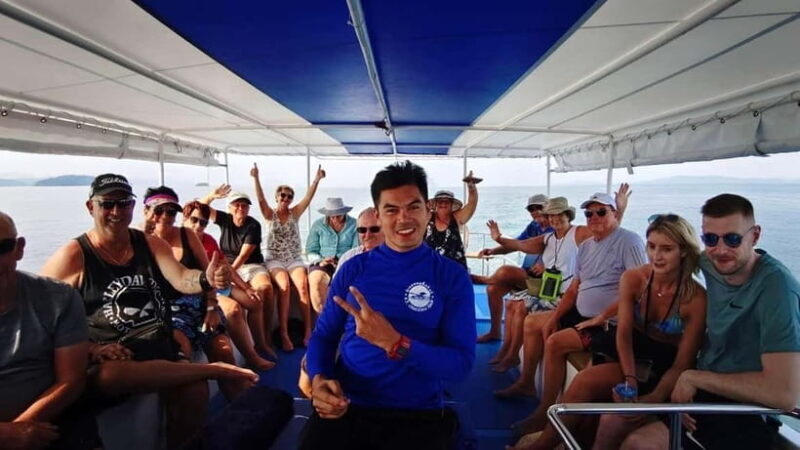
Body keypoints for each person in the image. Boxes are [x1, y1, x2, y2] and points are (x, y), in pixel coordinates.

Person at [40, 174, 258, 449]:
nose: (116, 212)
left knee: (195, 392)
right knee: (108, 376)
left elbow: (181, 278)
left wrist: (207, 280)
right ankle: (210, 369)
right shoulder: (74, 254)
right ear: (90, 207)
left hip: (157, 341)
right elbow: (42, 315)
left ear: (133, 206)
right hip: (114, 352)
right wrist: (91, 349)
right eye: (107, 204)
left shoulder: (149, 243)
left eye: (123, 204)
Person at [300, 161, 476, 450]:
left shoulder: (451, 276)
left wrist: (396, 343)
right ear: (379, 216)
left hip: (417, 413)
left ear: (427, 210)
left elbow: (460, 364)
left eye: (413, 207)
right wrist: (320, 379)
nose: (403, 219)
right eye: (391, 210)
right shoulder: (353, 269)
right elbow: (324, 335)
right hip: (348, 405)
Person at [622, 194, 800, 450]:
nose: (721, 249)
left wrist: (694, 378)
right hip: (702, 392)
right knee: (635, 442)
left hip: (745, 407)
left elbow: (783, 395)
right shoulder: (709, 261)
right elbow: (666, 251)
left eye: (733, 238)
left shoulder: (777, 289)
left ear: (755, 235)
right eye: (710, 239)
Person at [514, 214, 707, 450]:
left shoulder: (695, 299)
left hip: (663, 364)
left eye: (667, 249)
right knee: (585, 382)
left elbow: (682, 363)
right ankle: (544, 443)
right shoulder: (635, 278)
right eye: (652, 246)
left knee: (596, 396)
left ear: (684, 251)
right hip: (628, 349)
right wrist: (630, 379)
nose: (656, 256)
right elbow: (623, 333)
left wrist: (654, 399)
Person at [496, 191, 645, 436]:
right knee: (536, 323)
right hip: (581, 313)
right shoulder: (586, 247)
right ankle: (527, 384)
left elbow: (639, 290)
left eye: (601, 212)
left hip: (608, 323)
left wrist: (602, 315)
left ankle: (545, 412)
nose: (594, 217)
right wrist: (554, 318)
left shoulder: (629, 242)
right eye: (589, 213)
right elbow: (575, 288)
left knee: (555, 341)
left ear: (615, 213)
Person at [141, 187, 274, 387]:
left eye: (171, 211)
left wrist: (212, 307)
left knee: (224, 351)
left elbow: (207, 275)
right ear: (146, 211)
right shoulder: (136, 241)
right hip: (167, 312)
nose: (165, 216)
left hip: (199, 302)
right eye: (159, 210)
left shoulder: (188, 236)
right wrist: (211, 196)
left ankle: (253, 364)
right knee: (181, 358)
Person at [0, 211, 97, 450]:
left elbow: (71, 380)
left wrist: (19, 429)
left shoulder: (58, 298)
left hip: (50, 424)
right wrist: (6, 436)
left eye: (2, 247)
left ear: (19, 248)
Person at [297, 206, 386, 399]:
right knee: (306, 381)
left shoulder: (399, 265)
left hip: (380, 336)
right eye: (362, 230)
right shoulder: (349, 259)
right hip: (346, 330)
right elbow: (333, 306)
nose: (367, 235)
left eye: (374, 229)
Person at [488, 197, 578, 372]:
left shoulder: (577, 234)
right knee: (512, 303)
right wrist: (498, 239)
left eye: (559, 214)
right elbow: (520, 244)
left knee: (520, 305)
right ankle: (506, 349)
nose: (555, 218)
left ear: (568, 215)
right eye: (551, 215)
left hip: (562, 294)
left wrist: (617, 211)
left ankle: (513, 355)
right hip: (548, 289)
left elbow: (602, 235)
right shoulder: (548, 237)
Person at [183, 200, 276, 366]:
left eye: (203, 222)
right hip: (202, 291)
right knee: (233, 309)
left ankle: (261, 344)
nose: (198, 226)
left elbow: (226, 265)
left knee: (255, 301)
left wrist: (246, 288)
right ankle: (251, 357)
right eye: (194, 220)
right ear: (185, 219)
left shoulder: (209, 240)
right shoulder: (178, 243)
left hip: (220, 286)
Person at [252, 163, 323, 351]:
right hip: (274, 258)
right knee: (283, 286)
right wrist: (255, 178)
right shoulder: (270, 214)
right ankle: (283, 332)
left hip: (293, 257)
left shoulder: (295, 213)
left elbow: (308, 198)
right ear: (277, 197)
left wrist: (316, 179)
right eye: (282, 195)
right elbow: (260, 200)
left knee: (302, 286)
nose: (286, 198)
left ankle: (308, 331)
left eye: (289, 196)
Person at [200, 185, 276, 352]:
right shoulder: (224, 219)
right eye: (237, 204)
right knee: (239, 304)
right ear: (230, 207)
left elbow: (243, 256)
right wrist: (212, 195)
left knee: (265, 288)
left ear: (248, 208)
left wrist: (229, 274)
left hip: (251, 265)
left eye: (244, 205)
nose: (240, 208)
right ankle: (254, 343)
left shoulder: (253, 225)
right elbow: (199, 209)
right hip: (228, 267)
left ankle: (266, 334)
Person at [474, 194, 551, 343]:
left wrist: (546, 266)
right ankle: (495, 332)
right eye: (531, 208)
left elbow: (566, 258)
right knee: (493, 290)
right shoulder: (534, 226)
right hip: (527, 275)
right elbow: (516, 244)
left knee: (505, 271)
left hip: (543, 282)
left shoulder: (556, 230)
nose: (534, 211)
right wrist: (493, 250)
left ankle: (487, 279)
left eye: (539, 207)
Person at [306, 197, 358, 313]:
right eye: (331, 216)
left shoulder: (355, 224)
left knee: (353, 286)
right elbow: (310, 251)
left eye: (338, 216)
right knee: (316, 282)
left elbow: (356, 250)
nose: (334, 219)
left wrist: (341, 261)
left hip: (347, 263)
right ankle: (324, 322)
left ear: (344, 213)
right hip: (323, 263)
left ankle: (346, 324)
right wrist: (321, 261)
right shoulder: (318, 225)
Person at [424, 171, 480, 267]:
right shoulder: (428, 216)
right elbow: (415, 216)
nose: (443, 204)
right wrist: (427, 207)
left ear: (452, 204)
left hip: (455, 269)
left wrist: (471, 188)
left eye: (447, 202)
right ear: (435, 204)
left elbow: (471, 204)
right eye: (440, 201)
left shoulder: (457, 217)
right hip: (430, 268)